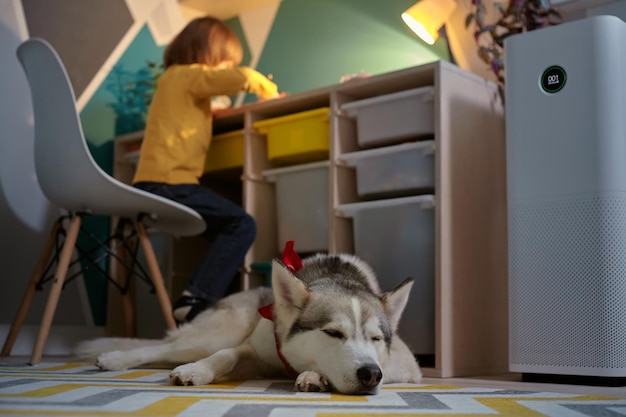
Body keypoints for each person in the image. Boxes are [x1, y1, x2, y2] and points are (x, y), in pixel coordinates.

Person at [132, 16, 280, 324]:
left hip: (156, 182)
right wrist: (270, 92)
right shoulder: (188, 75)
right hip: (170, 183)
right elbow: (243, 77)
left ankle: (207, 303)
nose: (226, 69)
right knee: (242, 225)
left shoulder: (172, 82)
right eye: (224, 63)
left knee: (226, 232)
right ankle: (196, 299)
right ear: (208, 55)